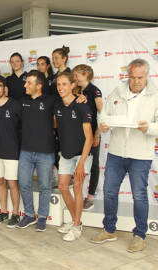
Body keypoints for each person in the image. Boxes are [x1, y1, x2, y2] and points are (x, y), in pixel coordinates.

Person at [91, 59, 158, 252]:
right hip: (116, 153)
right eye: (133, 77)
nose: (136, 81)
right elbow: (103, 115)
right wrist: (103, 124)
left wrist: (149, 127)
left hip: (141, 155)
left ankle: (140, 235)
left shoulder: (156, 97)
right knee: (109, 191)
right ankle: (109, 229)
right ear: (128, 75)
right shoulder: (117, 92)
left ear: (146, 76)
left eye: (140, 78)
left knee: (139, 195)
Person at [54, 72, 93, 241]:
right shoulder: (57, 105)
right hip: (66, 153)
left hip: (82, 155)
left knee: (77, 188)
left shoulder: (82, 105)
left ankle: (76, 226)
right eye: (58, 84)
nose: (61, 87)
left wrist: (81, 164)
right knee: (63, 187)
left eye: (64, 84)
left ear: (72, 85)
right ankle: (75, 221)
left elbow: (90, 138)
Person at [16, 70, 56, 232]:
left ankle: (43, 217)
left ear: (39, 86)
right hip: (25, 151)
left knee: (45, 186)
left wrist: (81, 97)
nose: (25, 85)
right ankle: (30, 214)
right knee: (24, 183)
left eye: (29, 83)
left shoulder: (51, 101)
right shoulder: (21, 101)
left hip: (45, 152)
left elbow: (69, 104)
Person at [0, 75, 21, 228]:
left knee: (12, 183)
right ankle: (3, 212)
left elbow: (23, 128)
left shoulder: (15, 105)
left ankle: (15, 214)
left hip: (12, 150)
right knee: (0, 181)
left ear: (4, 88)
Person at [73, 64, 103, 210]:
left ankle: (90, 196)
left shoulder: (95, 91)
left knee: (94, 165)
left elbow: (101, 114)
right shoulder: (76, 90)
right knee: (77, 163)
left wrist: (97, 134)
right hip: (78, 134)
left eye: (77, 75)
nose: (75, 78)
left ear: (86, 75)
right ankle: (77, 194)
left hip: (92, 133)